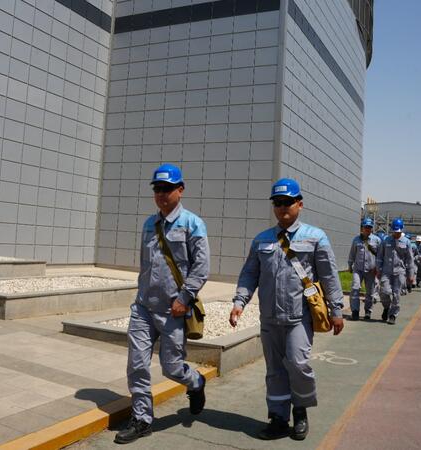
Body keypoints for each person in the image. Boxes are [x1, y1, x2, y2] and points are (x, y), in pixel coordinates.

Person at [230, 178, 344, 441]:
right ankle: (278, 418)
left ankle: (300, 411)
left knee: (298, 363)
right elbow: (249, 274)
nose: (282, 207)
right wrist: (239, 302)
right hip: (270, 318)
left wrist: (336, 310)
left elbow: (329, 276)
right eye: (278, 203)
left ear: (299, 204)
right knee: (274, 370)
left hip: (299, 317)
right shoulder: (262, 240)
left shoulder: (315, 237)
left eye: (288, 202)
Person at [116, 164, 210, 444]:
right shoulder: (149, 224)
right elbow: (145, 264)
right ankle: (142, 419)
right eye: (157, 189)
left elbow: (201, 267)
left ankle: (196, 382)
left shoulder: (193, 224)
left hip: (173, 310)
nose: (161, 194)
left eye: (167, 189)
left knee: (171, 367)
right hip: (143, 308)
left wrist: (184, 298)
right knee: (137, 364)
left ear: (180, 190)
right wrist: (140, 295)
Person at [376, 218, 414, 325]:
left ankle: (393, 315)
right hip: (386, 271)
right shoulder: (386, 241)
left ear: (402, 230)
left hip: (400, 272)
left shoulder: (406, 242)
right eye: (394, 232)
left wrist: (411, 275)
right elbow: (380, 256)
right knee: (384, 292)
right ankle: (386, 307)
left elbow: (410, 259)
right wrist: (378, 269)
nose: (396, 234)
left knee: (396, 294)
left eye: (398, 232)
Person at [348, 217, 381, 320]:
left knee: (370, 292)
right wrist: (350, 265)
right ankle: (355, 311)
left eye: (369, 227)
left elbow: (380, 256)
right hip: (358, 269)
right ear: (362, 228)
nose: (367, 229)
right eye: (366, 227)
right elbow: (352, 253)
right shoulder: (356, 240)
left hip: (371, 270)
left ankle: (368, 311)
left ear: (372, 228)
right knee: (355, 288)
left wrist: (377, 268)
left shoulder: (377, 240)